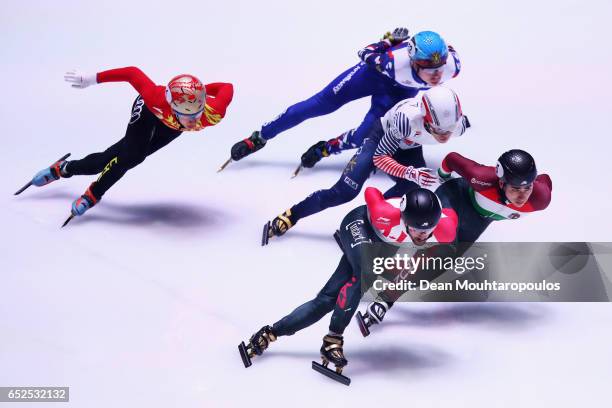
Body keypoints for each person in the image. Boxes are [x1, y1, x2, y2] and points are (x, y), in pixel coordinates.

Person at [239, 187, 457, 383]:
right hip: (359, 223)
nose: (422, 235)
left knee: (326, 300)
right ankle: (333, 340)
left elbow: (441, 234)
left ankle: (270, 333)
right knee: (366, 275)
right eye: (417, 229)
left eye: (428, 231)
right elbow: (371, 191)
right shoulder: (385, 213)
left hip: (383, 244)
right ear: (404, 219)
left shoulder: (445, 230)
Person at [356, 149, 553, 335]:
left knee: (441, 264)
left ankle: (385, 282)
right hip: (455, 197)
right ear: (501, 183)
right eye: (516, 188)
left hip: (479, 218)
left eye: (527, 187)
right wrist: (443, 177)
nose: (522, 195)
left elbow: (546, 181)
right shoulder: (482, 177)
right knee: (435, 247)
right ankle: (382, 294)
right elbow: (451, 159)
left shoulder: (540, 198)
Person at [263, 86, 467, 243]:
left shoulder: (459, 125)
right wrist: (411, 172)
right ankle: (293, 214)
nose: (444, 136)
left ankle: (366, 222)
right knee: (343, 192)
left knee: (410, 189)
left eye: (449, 130)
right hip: (380, 139)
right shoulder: (406, 119)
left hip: (409, 146)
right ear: (424, 118)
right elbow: (380, 158)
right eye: (438, 130)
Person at [228, 29, 460, 164]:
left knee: (363, 136)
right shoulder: (392, 62)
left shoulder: (453, 65)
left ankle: (326, 148)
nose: (436, 74)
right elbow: (365, 53)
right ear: (411, 60)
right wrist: (389, 41)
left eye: (439, 67)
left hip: (398, 91)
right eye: (427, 68)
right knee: (317, 105)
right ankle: (258, 138)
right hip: (372, 75)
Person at [27, 67, 233, 218]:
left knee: (127, 157)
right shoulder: (154, 97)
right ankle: (71, 175)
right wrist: (92, 79)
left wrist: (195, 92)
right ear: (172, 105)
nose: (194, 122)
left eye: (197, 113)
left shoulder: (213, 112)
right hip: (148, 111)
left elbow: (227, 86)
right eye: (188, 116)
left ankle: (75, 178)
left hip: (170, 125)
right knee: (131, 157)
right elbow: (132, 73)